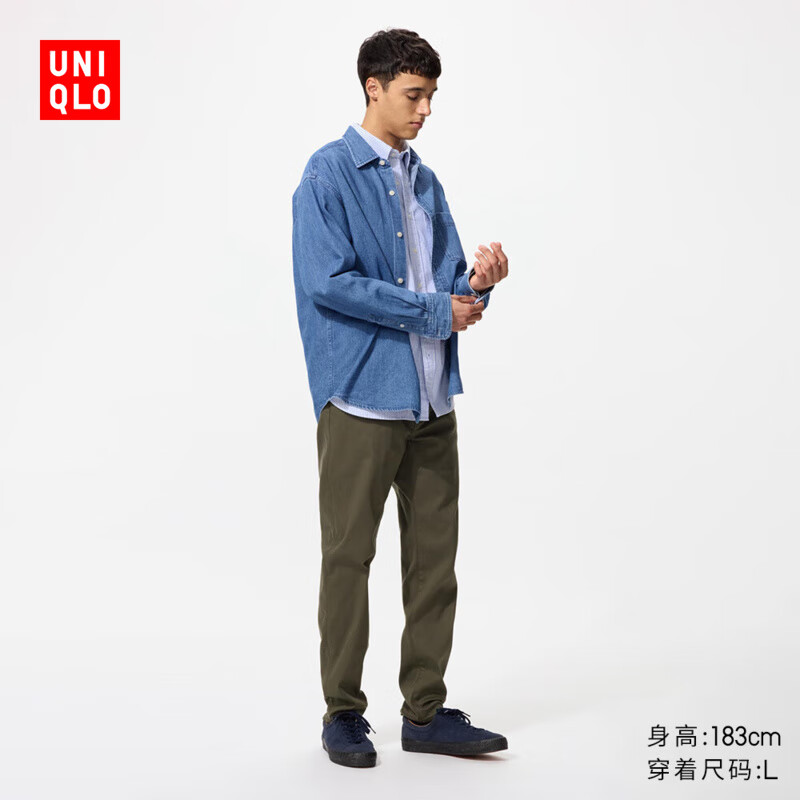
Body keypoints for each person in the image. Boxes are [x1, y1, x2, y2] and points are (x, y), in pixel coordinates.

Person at [291, 27, 510, 768]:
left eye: (431, 96)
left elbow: (443, 283)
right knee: (348, 558)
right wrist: (433, 311)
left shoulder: (426, 180)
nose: (424, 110)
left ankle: (425, 712)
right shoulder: (326, 175)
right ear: (373, 87)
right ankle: (343, 715)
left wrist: (475, 285)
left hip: (430, 401)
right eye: (414, 95)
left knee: (434, 563)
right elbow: (330, 283)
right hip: (361, 400)